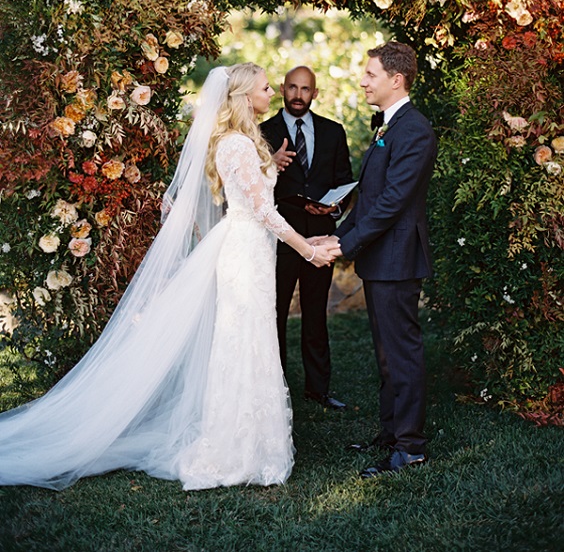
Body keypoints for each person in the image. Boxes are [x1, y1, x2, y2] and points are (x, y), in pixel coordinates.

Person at [0, 63, 339, 491]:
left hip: (253, 251)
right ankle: (232, 449)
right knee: (242, 340)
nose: (272, 92)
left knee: (253, 339)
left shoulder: (243, 142)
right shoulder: (235, 144)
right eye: (266, 87)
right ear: (242, 97)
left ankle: (253, 444)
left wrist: (270, 166)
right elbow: (263, 212)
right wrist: (308, 249)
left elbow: (253, 193)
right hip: (244, 253)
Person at [314, 42, 437, 475]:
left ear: (395, 79)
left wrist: (344, 246)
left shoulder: (414, 129)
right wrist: (336, 235)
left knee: (401, 352)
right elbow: (368, 199)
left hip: (398, 257)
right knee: (385, 353)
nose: (363, 81)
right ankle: (391, 434)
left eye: (370, 74)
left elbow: (392, 202)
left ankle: (411, 447)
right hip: (382, 256)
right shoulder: (390, 125)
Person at [261, 66, 353, 411]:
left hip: (318, 236)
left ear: (315, 93)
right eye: (292, 88)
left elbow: (344, 179)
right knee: (274, 314)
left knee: (316, 313)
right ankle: (275, 387)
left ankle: (318, 389)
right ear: (283, 89)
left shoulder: (333, 131)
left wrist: (331, 209)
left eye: (306, 89)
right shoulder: (262, 133)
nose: (298, 95)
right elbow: (254, 189)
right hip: (278, 239)